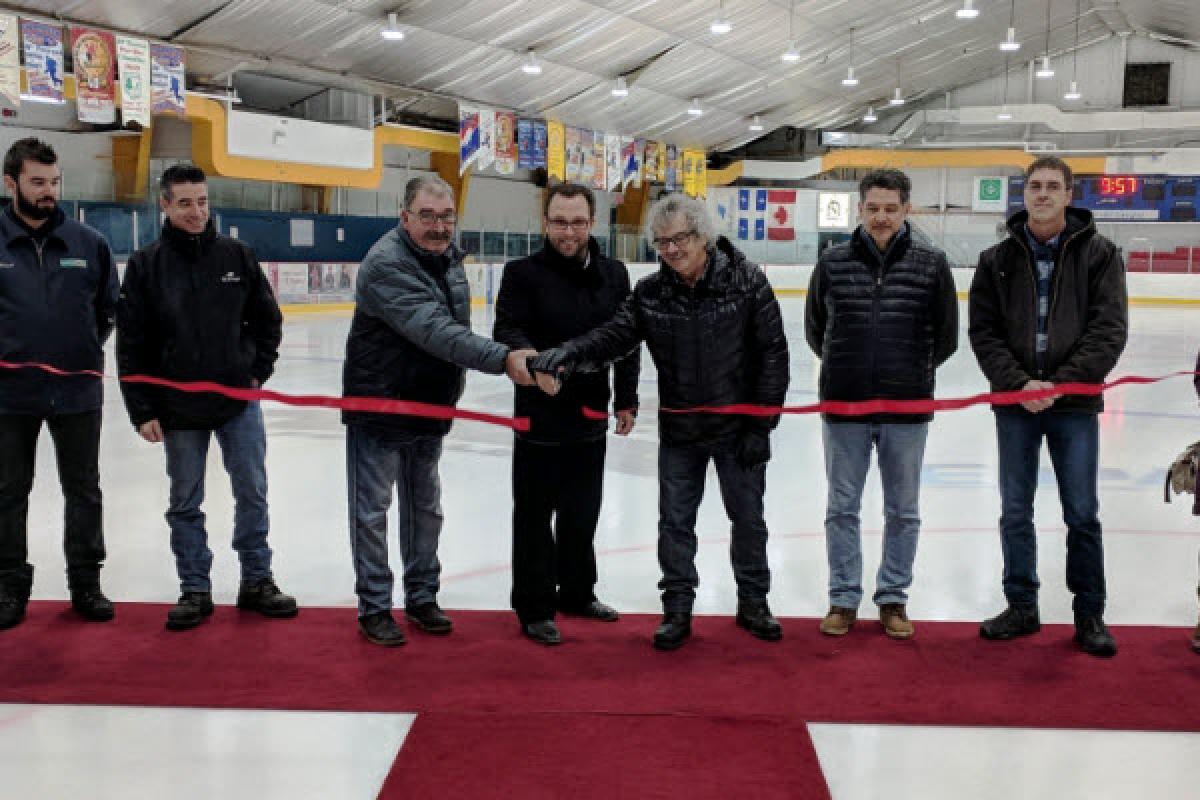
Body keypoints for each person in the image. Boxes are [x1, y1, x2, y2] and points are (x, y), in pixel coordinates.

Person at [530, 193, 790, 651]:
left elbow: (773, 355)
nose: (671, 249)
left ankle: (754, 603)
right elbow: (614, 338)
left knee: (748, 519)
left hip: (737, 430)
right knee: (674, 523)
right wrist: (567, 355)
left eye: (681, 238)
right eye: (661, 242)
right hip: (681, 431)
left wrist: (760, 427)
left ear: (703, 236)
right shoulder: (651, 292)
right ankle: (677, 609)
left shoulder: (747, 282)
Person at [343, 175, 537, 647]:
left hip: (429, 404)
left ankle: (422, 595)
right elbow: (434, 330)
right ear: (404, 216)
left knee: (425, 507)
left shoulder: (447, 260)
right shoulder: (387, 263)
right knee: (373, 510)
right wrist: (502, 359)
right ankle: (373, 605)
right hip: (382, 403)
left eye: (446, 215)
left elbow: (453, 328)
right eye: (426, 215)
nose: (438, 225)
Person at [117, 164, 296, 632]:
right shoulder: (146, 264)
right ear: (165, 205)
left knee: (252, 492)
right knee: (184, 500)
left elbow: (267, 319)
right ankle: (195, 586)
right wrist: (142, 408)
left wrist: (255, 373)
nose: (197, 212)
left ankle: (257, 579)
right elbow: (132, 343)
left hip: (238, 401)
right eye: (185, 203)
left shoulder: (237, 255)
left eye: (202, 201)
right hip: (177, 409)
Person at [969, 155, 1128, 657]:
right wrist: (1019, 384)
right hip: (1016, 405)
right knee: (1016, 510)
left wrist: (1059, 384)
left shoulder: (1101, 255)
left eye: (1052, 187)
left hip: (1074, 405)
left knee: (1082, 512)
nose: (1042, 194)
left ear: (1068, 194)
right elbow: (984, 332)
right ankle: (1021, 605)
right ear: (1024, 194)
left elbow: (1109, 330)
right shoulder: (996, 260)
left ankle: (1089, 613)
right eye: (1034, 186)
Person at [805, 168, 958, 640]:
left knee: (903, 510)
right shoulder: (832, 262)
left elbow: (946, 337)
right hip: (845, 407)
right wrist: (845, 370)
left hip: (906, 408)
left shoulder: (932, 264)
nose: (881, 217)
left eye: (891, 208)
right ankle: (843, 598)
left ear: (906, 210)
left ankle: (893, 598)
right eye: (873, 207)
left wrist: (909, 372)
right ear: (860, 208)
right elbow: (817, 330)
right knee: (841, 507)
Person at [493, 182, 640, 646]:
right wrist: (533, 361)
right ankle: (535, 606)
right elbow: (507, 327)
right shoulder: (521, 274)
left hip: (591, 412)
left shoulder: (614, 274)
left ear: (591, 223)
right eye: (560, 221)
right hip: (538, 414)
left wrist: (627, 398)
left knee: (582, 511)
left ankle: (578, 591)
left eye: (577, 222)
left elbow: (628, 338)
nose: (568, 231)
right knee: (534, 515)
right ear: (545, 221)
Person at [0, 137, 119, 630]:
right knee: (8, 490)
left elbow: (107, 309)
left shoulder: (89, 243)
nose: (48, 192)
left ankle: (86, 583)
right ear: (11, 184)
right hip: (8, 395)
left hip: (77, 392)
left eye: (53, 182)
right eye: (37, 182)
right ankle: (8, 585)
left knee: (84, 489)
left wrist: (79, 350)